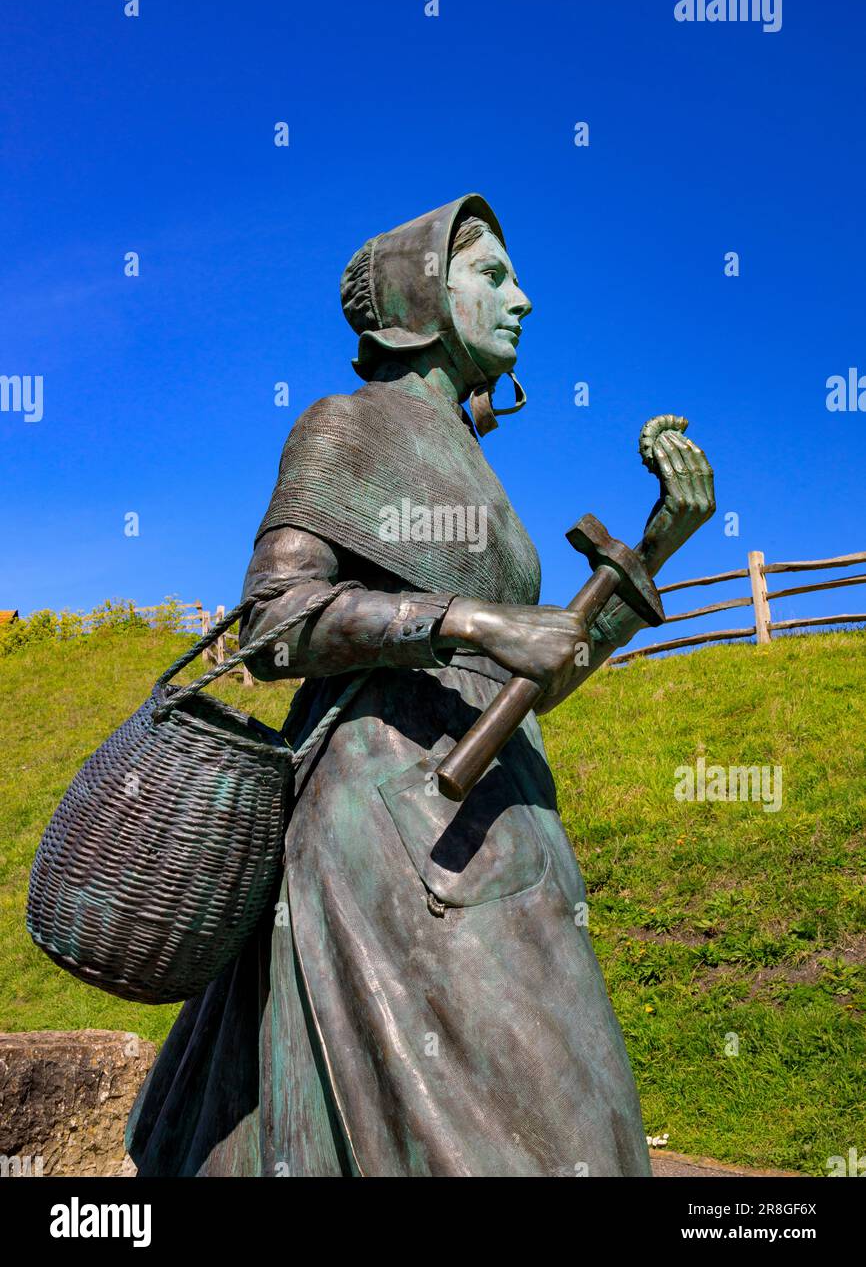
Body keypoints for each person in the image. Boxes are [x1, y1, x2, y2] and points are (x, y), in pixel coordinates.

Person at [126, 194, 714, 1177]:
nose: (520, 299)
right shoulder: (346, 425)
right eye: (491, 274)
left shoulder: (471, 461)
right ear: (422, 297)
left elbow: (533, 677)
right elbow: (272, 620)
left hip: (498, 820)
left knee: (582, 1122)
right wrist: (463, 619)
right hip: (389, 829)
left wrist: (659, 541)